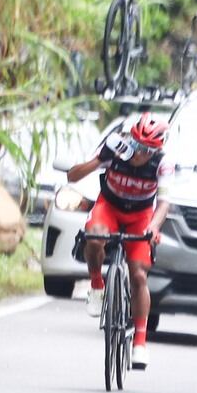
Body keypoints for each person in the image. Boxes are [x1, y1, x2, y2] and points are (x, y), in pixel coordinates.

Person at [69, 114, 167, 369]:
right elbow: (72, 176)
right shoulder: (116, 148)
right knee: (94, 237)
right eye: (136, 145)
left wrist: (153, 228)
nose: (138, 154)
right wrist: (102, 159)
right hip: (109, 207)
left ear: (156, 149)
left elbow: (165, 203)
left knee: (138, 275)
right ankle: (97, 285)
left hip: (141, 214)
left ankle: (140, 343)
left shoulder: (162, 163)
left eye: (146, 150)